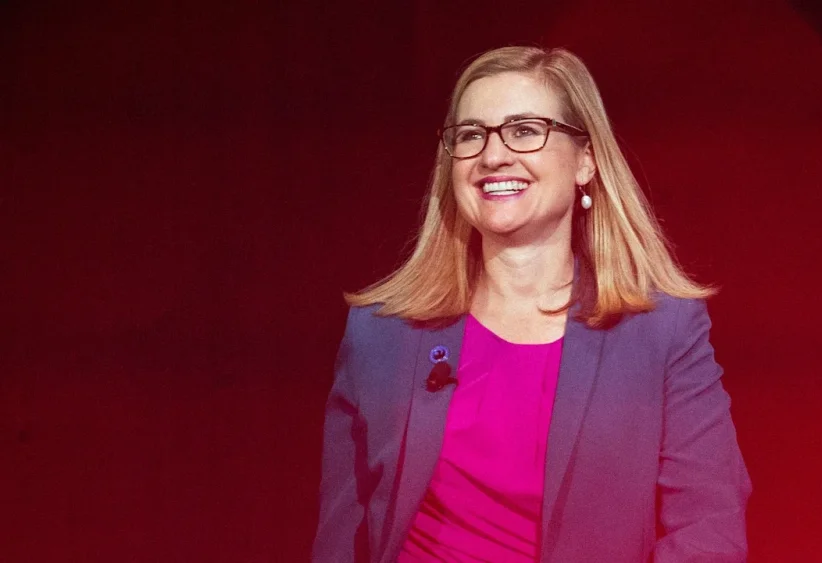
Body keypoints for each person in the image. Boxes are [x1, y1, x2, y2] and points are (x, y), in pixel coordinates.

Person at [312, 46, 751, 563]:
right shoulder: (380, 332)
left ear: (585, 160)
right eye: (471, 135)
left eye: (524, 130)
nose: (492, 156)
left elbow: (709, 526)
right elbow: (340, 540)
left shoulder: (662, 331)